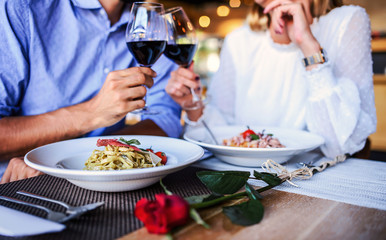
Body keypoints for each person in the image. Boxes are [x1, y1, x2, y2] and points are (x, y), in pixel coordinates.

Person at [166, 0, 377, 159]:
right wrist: (192, 106)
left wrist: (307, 45)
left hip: (317, 183)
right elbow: (220, 132)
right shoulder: (239, 40)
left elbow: (340, 145)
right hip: (245, 179)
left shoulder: (347, 21)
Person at [0, 0, 181, 183]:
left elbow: (165, 119)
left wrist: (76, 158)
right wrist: (92, 112)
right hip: (21, 183)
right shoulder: (20, 9)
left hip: (109, 183)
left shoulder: (154, 26)